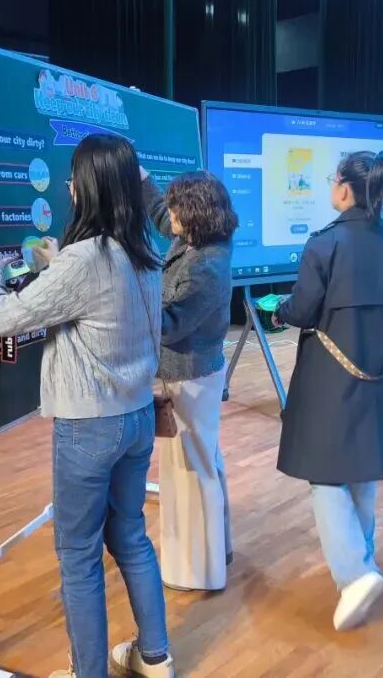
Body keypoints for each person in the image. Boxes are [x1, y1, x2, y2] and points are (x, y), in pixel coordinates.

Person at [0, 134, 175, 678]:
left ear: (85, 188)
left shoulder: (84, 260)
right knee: (129, 535)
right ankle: (155, 657)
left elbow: (4, 318)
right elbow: (95, 296)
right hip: (136, 418)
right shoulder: (145, 253)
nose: (66, 188)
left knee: (79, 554)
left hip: (89, 427)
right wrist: (56, 262)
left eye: (71, 179)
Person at [272, 150, 383, 632]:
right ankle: (363, 565)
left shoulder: (324, 244)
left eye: (333, 179)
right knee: (363, 468)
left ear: (346, 188)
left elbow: (302, 309)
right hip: (379, 372)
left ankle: (355, 575)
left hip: (330, 374)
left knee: (325, 474)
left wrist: (279, 311)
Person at [142, 168, 236, 591]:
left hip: (189, 377)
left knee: (191, 471)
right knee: (202, 461)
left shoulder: (206, 266)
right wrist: (142, 179)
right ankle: (215, 553)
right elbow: (163, 218)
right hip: (194, 373)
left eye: (177, 207)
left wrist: (126, 296)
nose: (171, 214)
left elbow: (170, 325)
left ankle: (198, 572)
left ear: (194, 212)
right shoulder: (200, 241)